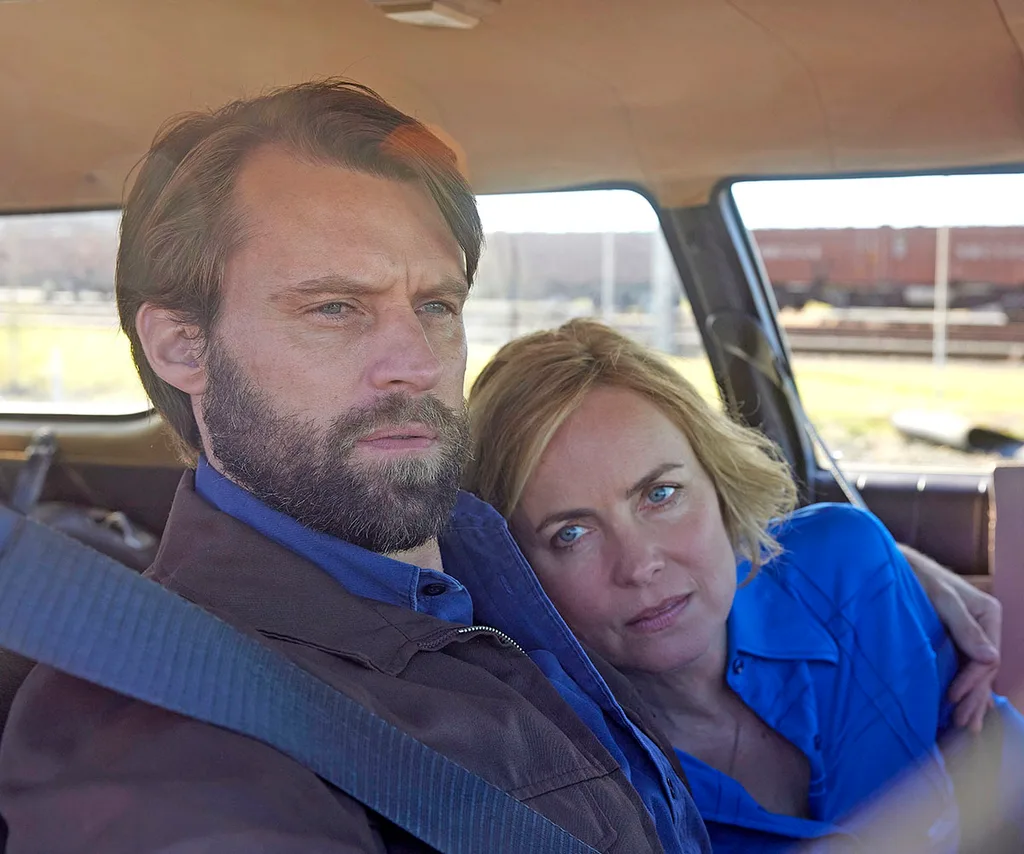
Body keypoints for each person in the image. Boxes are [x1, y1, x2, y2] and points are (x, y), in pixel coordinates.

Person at [0, 80, 1002, 853]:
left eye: (434, 304)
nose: (417, 361)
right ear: (183, 346)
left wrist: (881, 569)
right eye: (335, 307)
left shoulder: (473, 556)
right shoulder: (163, 736)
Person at [464, 318, 1024, 853]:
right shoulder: (545, 760)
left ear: (720, 480)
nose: (638, 565)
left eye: (660, 494)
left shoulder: (847, 568)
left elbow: (1003, 769)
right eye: (571, 533)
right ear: (517, 569)